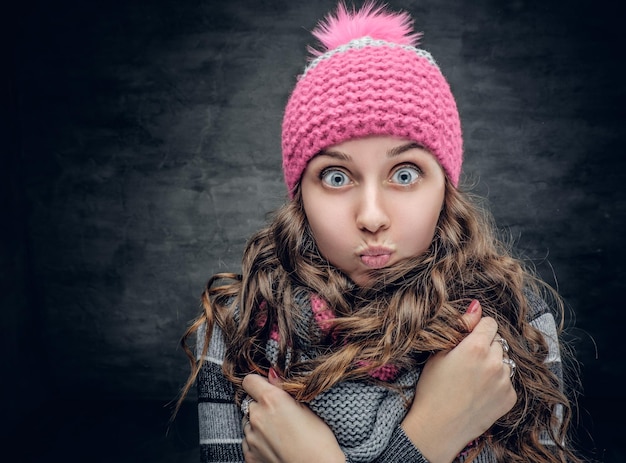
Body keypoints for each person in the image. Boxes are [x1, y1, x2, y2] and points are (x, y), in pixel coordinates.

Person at [176, 2, 583, 462]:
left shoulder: (517, 316)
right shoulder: (239, 326)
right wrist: (428, 438)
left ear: (444, 187)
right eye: (335, 177)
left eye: (405, 174)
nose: (372, 216)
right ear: (300, 196)